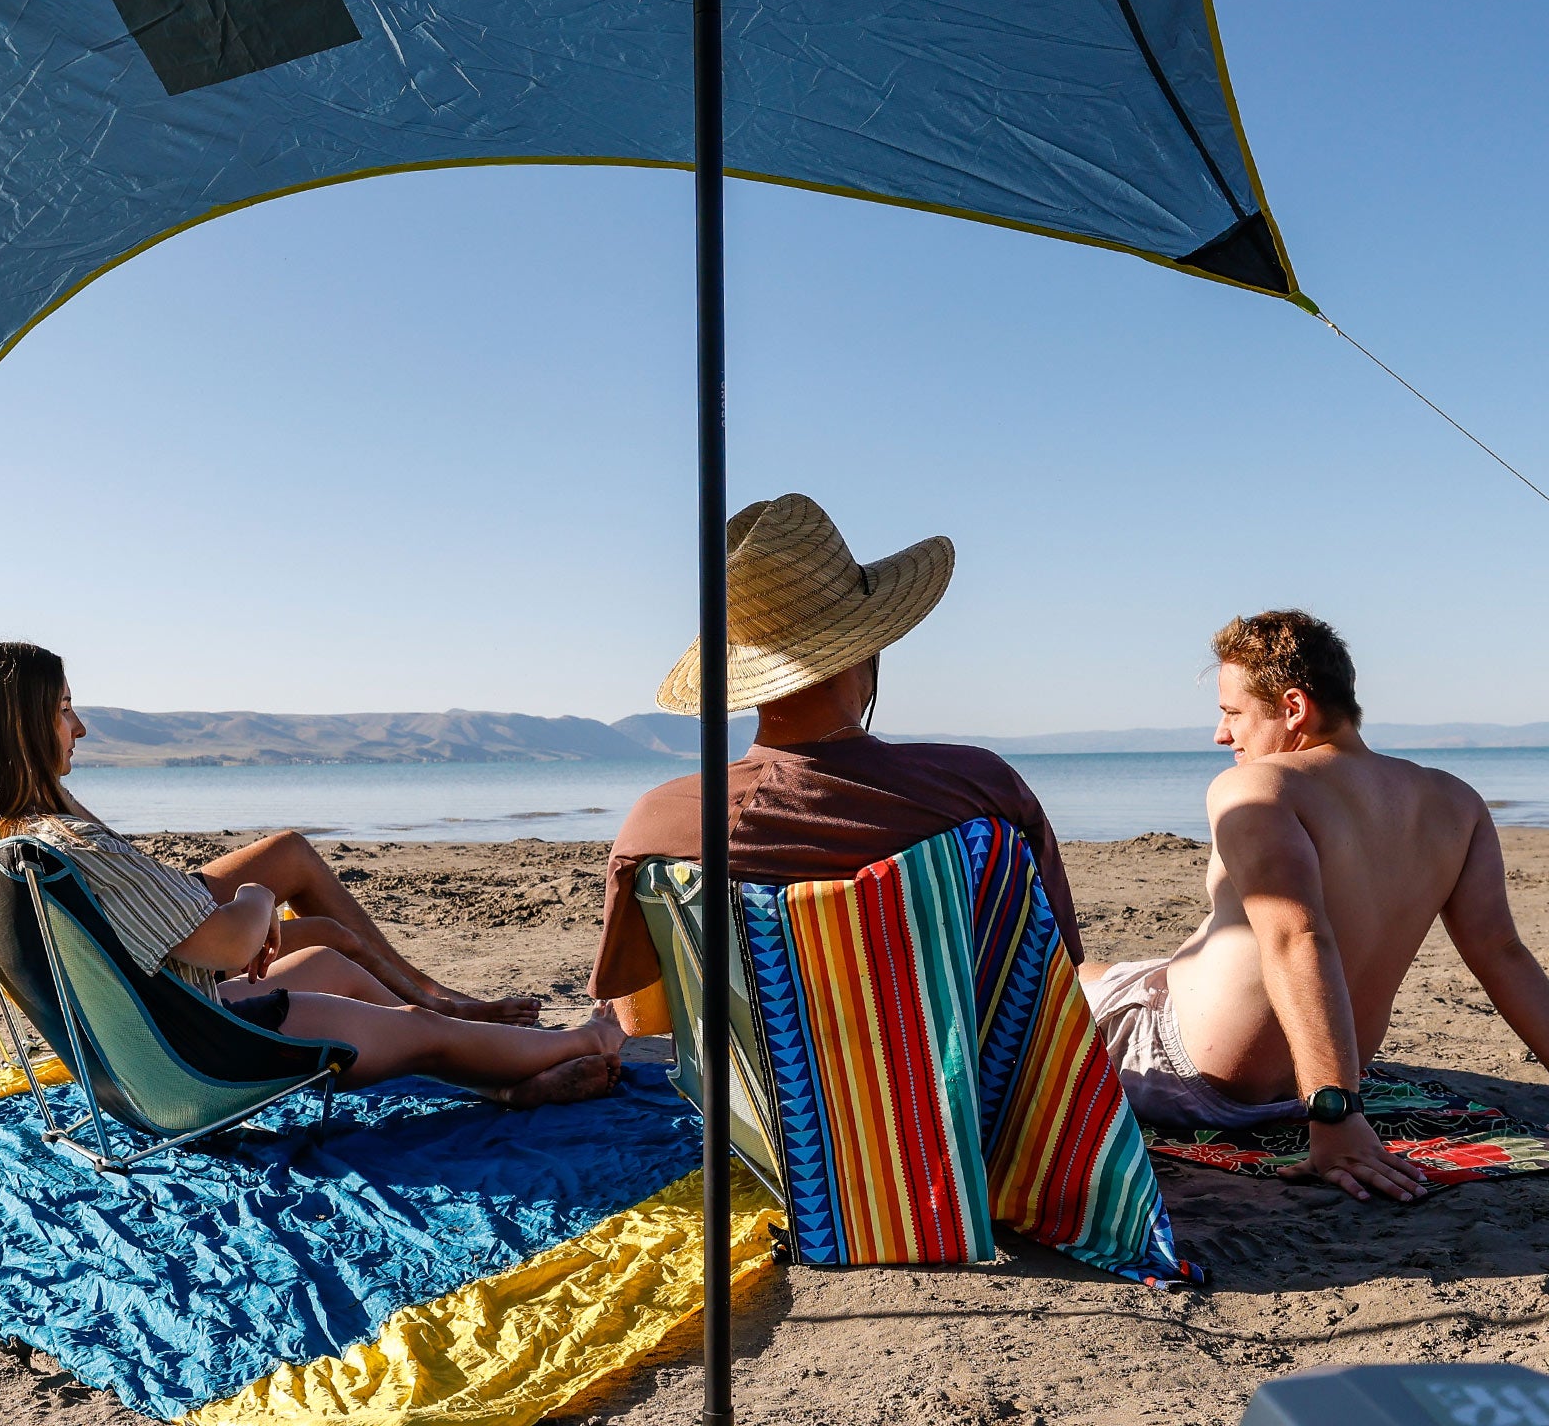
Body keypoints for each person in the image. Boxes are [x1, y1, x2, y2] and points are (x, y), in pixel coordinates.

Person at [0, 641, 619, 1106]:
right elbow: (227, 946)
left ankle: (500, 1082)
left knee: (327, 964)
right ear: (19, 728)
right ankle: (582, 1042)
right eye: (64, 711)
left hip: (131, 1067)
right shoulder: (64, 845)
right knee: (412, 1028)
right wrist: (255, 897)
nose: (81, 728)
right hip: (203, 1061)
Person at [1079, 610, 1549, 1204]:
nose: (1223, 736)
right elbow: (1501, 953)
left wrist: (1334, 1115)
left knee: (1058, 982)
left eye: (1232, 713)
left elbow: (1298, 938)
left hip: (1200, 1072)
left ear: (1294, 707)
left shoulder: (1259, 787)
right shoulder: (1456, 801)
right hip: (1329, 1065)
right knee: (1116, 974)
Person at [589, 495, 1083, 1028]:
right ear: (868, 653)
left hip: (772, 1108)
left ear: (745, 676)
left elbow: (644, 1021)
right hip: (959, 1100)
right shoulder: (983, 789)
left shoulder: (666, 822)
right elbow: (1054, 968)